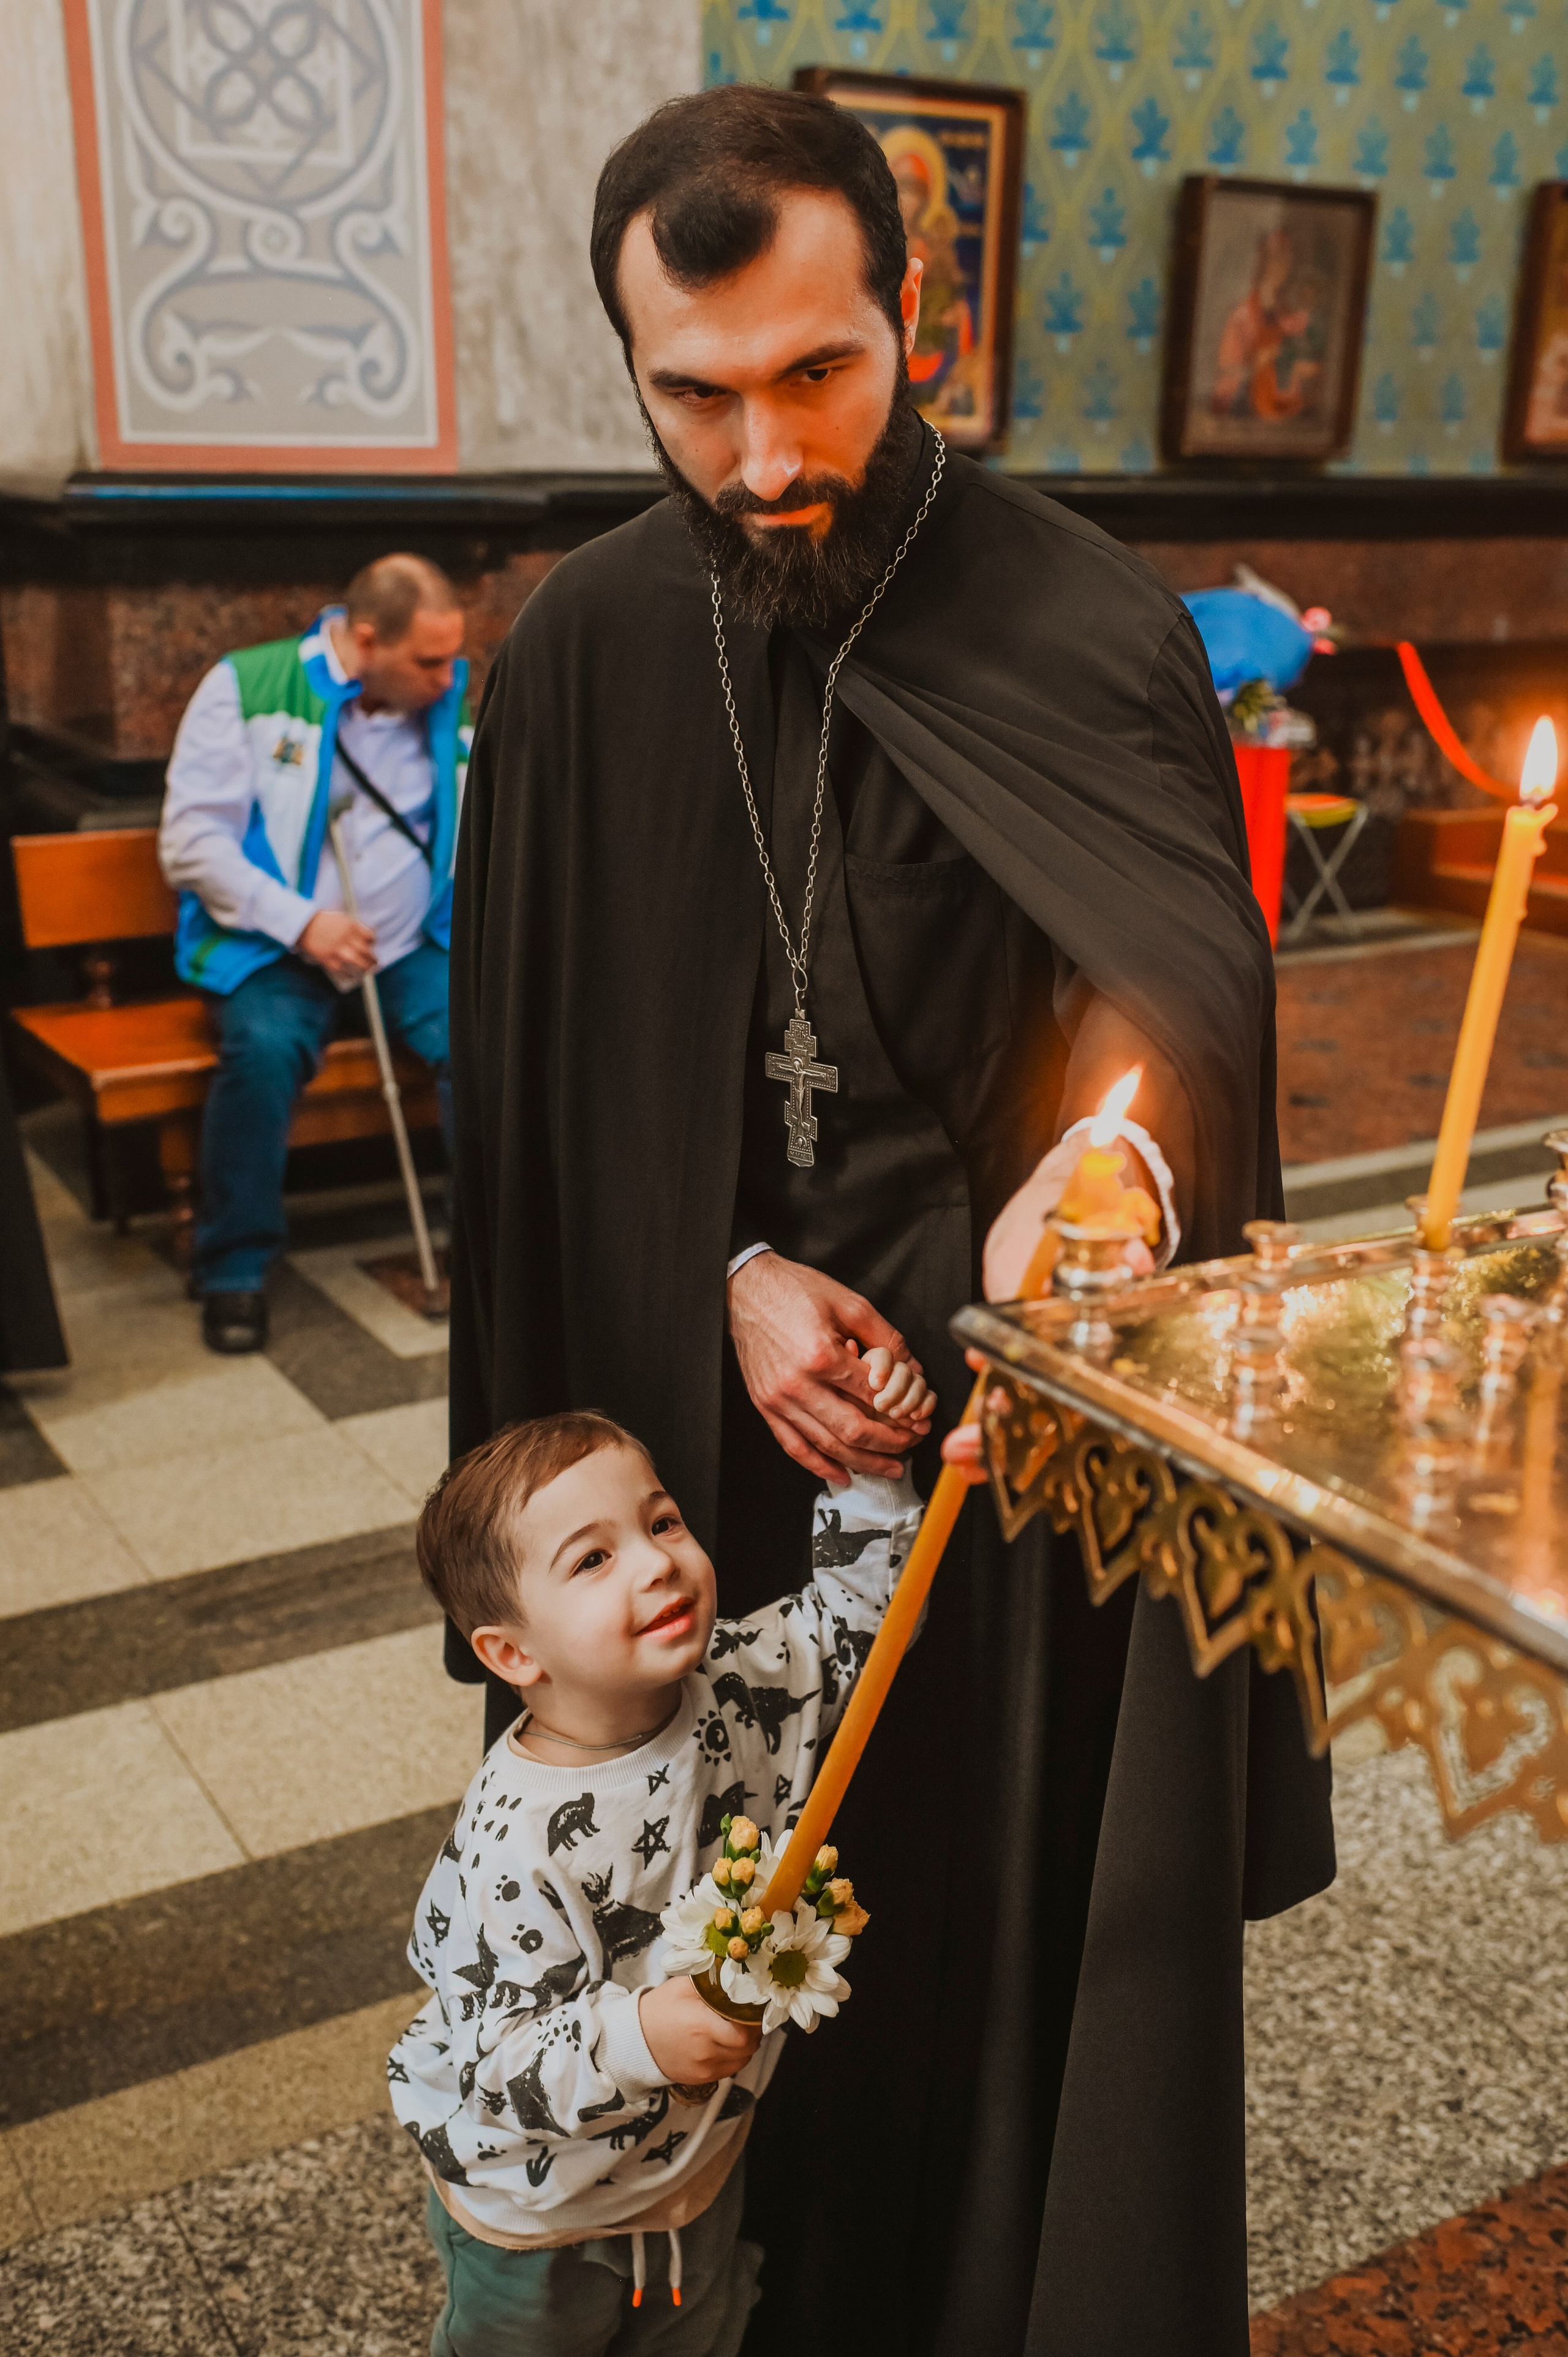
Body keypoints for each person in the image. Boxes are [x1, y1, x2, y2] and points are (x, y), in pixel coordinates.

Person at [447, 86, 1335, 2357]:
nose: (761, 455)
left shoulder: (1075, 615)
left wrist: (1118, 1155)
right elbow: (554, 1097)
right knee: (704, 1950)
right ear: (632, 364)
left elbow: (1172, 991)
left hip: (1005, 1423)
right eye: (698, 393)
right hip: (694, 1409)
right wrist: (724, 1274)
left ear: (910, 315)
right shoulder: (578, 657)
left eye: (817, 373)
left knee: (983, 1919)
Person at [392, 1396, 937, 2357]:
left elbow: (863, 1618)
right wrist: (641, 2034)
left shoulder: (740, 1682)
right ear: (514, 1653)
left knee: (702, 2333)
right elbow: (497, 2066)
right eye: (593, 1559)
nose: (656, 1561)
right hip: (539, 2216)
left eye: (662, 1521)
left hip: (694, 2172)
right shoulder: (517, 1842)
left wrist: (871, 1470)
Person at [158, 554, 469, 1354]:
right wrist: (302, 924)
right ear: (367, 641)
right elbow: (192, 842)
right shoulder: (247, 688)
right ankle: (233, 1267)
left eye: (453, 657)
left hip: (406, 942)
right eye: (429, 661)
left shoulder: (448, 706)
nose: (449, 677)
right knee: (262, 1050)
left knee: (487, 1042)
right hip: (279, 944)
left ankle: (494, 1252)